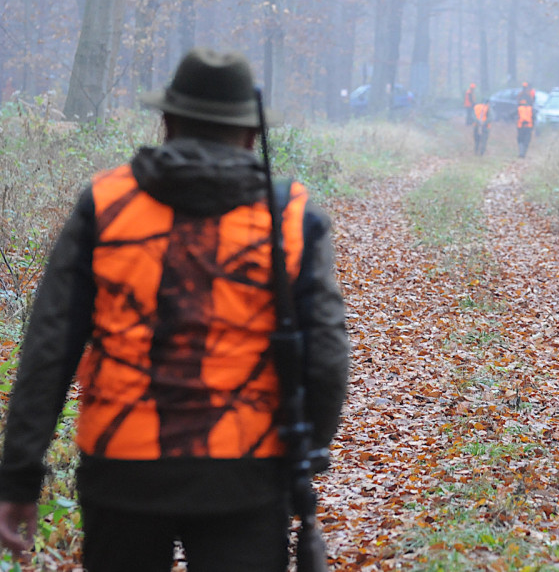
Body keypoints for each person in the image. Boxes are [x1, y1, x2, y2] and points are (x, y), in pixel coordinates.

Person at [0, 48, 351, 571]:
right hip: (246, 471)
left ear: (167, 122)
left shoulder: (105, 204)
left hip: (122, 468)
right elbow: (326, 354)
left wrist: (20, 476)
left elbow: (50, 347)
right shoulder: (291, 219)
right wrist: (306, 449)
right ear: (251, 134)